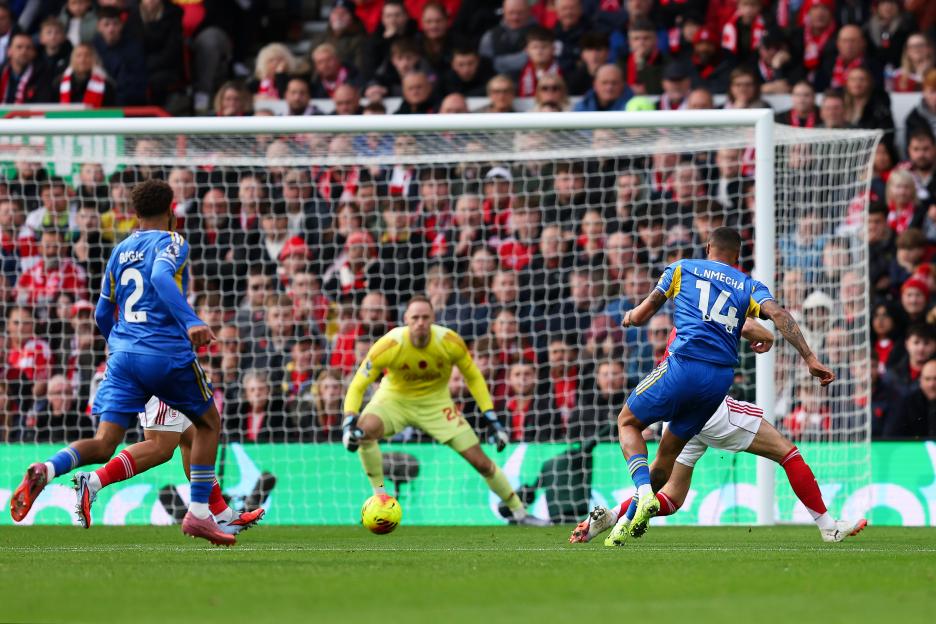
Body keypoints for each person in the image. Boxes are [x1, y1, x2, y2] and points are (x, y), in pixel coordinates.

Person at [9, 180, 233, 546]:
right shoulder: (171, 241)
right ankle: (201, 515)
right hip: (163, 353)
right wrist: (192, 321)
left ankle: (46, 469)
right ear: (172, 211)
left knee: (104, 442)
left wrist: (121, 345)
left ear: (134, 213)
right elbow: (161, 276)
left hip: (122, 357)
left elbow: (101, 313)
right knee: (208, 424)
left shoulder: (120, 250)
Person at [613, 227, 834, 541]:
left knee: (628, 421)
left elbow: (644, 313)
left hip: (683, 366)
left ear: (707, 247)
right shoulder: (747, 285)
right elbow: (778, 315)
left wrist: (629, 317)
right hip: (716, 384)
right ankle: (625, 514)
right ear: (738, 255)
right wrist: (810, 357)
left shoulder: (681, 269)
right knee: (668, 458)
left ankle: (643, 491)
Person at [571, 320, 866, 545]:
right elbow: (755, 329)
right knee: (788, 453)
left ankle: (611, 516)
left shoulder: (684, 316)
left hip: (677, 412)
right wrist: (767, 337)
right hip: (710, 408)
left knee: (671, 496)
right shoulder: (715, 308)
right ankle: (829, 526)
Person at [341, 295, 550, 526]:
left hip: (437, 405)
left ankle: (520, 513)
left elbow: (474, 378)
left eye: (425, 317)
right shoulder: (389, 345)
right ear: (405, 320)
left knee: (481, 462)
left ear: (433, 319)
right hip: (394, 401)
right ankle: (380, 496)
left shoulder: (449, 342)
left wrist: (491, 417)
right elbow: (358, 384)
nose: (420, 322)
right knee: (364, 430)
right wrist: (349, 421)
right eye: (415, 317)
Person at [72, 396, 264, 532]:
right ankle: (94, 481)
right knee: (161, 446)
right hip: (160, 365)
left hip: (172, 370)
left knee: (195, 439)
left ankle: (223, 515)